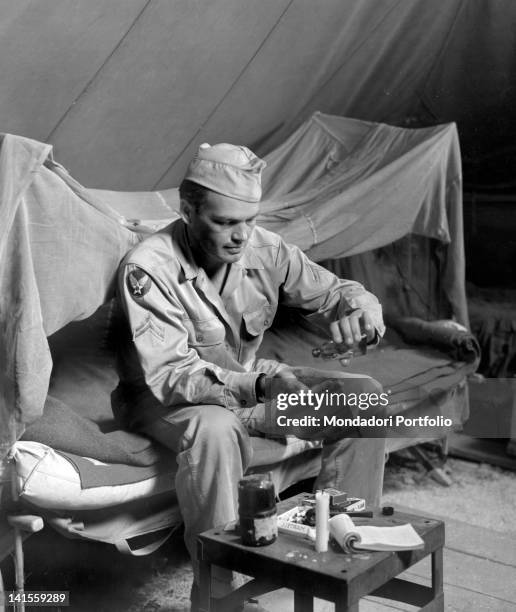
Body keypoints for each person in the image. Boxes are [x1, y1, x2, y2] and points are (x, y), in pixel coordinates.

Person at [114, 143, 386, 609]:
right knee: (215, 429)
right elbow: (173, 376)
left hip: (249, 386)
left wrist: (361, 316)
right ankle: (221, 592)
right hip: (171, 400)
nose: (241, 236)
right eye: (224, 222)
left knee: (366, 399)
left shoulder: (266, 248)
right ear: (187, 211)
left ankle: (339, 545)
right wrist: (260, 387)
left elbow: (340, 292)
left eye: (250, 220)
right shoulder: (149, 267)